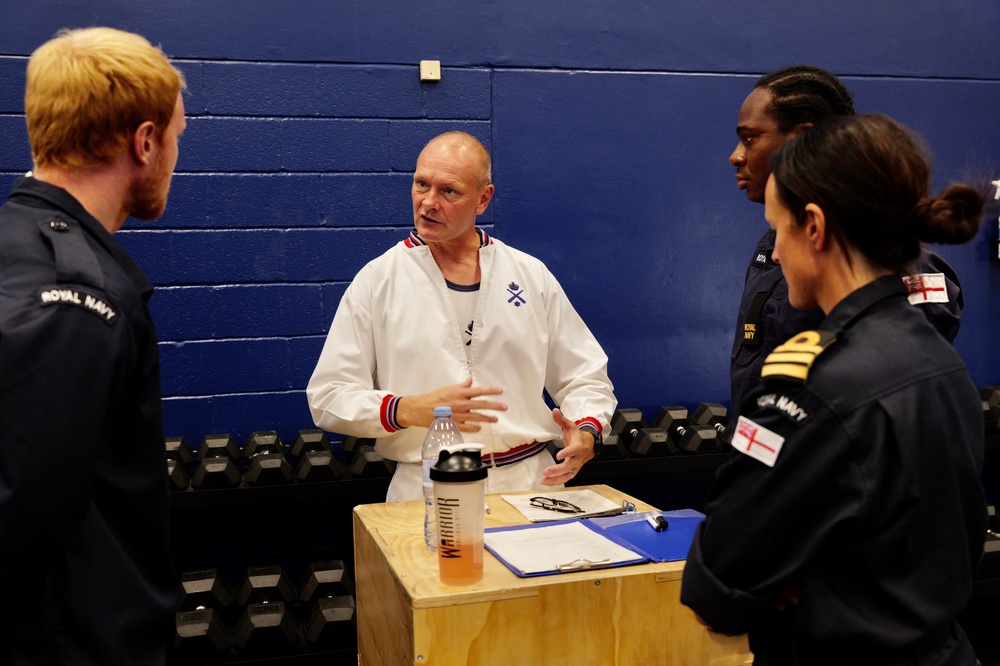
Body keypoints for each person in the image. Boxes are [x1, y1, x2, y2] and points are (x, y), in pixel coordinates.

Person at [681, 114, 988, 665]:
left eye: (779, 228)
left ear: (815, 227)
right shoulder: (940, 361)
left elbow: (717, 588)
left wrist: (785, 578)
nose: (775, 253)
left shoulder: (807, 385)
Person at [0, 27, 186, 664]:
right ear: (145, 141)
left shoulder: (16, 245)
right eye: (176, 138)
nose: (174, 158)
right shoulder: (76, 298)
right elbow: (22, 517)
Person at [307, 131, 616, 501]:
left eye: (449, 191)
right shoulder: (378, 280)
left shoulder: (528, 275)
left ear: (483, 199)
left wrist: (587, 429)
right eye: (421, 184)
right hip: (428, 485)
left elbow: (584, 375)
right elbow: (329, 395)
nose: (428, 202)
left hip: (530, 481)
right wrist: (406, 409)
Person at [728, 65, 963, 415]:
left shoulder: (895, 257)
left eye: (750, 138)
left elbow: (904, 397)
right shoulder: (772, 247)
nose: (736, 155)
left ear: (801, 139)